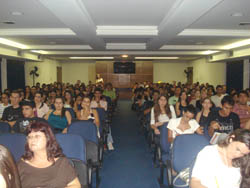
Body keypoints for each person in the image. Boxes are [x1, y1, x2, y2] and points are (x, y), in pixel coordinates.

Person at [17, 121, 81, 188]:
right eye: (29, 137)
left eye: (37, 136)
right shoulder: (21, 165)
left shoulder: (61, 163)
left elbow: (75, 185)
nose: (32, 140)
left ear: (48, 139)